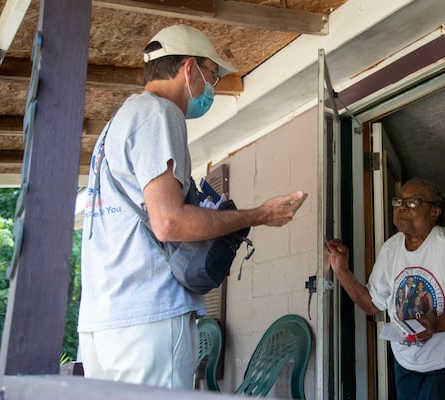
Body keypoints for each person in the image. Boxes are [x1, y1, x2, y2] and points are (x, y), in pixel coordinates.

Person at [77, 24, 308, 389]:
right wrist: (259, 215)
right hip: (148, 318)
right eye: (211, 75)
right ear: (189, 70)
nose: (210, 88)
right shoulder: (159, 113)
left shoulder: (116, 125)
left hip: (103, 320)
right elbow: (169, 223)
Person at [326, 177, 445, 400]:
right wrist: (342, 271)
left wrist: (436, 323)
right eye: (399, 201)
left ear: (434, 213)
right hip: (405, 363)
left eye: (413, 202)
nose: (401, 207)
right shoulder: (391, 248)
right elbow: (372, 305)